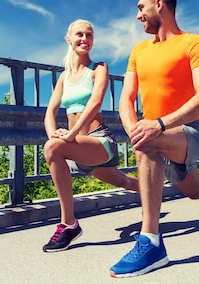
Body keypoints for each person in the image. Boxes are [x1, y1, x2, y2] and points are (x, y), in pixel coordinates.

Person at [109, 0, 199, 277]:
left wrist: (158, 125)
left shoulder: (193, 43)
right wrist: (135, 128)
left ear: (159, 4)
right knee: (195, 191)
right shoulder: (138, 51)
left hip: (189, 132)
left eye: (140, 8)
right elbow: (126, 98)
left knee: (149, 143)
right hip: (156, 133)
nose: (138, 16)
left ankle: (151, 243)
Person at [42, 19, 139, 253]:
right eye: (79, 35)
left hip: (99, 141)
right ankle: (157, 190)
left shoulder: (99, 68)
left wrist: (69, 136)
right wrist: (53, 133)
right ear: (69, 39)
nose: (84, 39)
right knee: (124, 182)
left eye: (89, 35)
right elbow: (50, 112)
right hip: (77, 147)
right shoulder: (64, 77)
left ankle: (68, 224)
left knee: (52, 149)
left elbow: (95, 103)